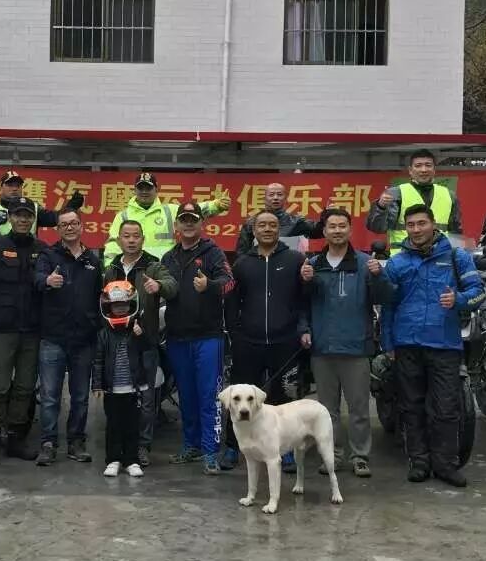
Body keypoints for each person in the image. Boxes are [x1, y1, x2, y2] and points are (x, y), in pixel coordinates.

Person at [381, 204, 485, 488]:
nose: (416, 229)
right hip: (407, 344)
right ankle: (419, 462)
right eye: (411, 225)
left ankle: (445, 464)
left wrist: (459, 300)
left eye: (421, 223)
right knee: (411, 406)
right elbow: (388, 306)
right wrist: (388, 343)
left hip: (445, 344)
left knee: (446, 408)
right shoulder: (397, 263)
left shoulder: (457, 257)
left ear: (433, 224)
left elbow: (479, 293)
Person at [299, 208, 392, 479]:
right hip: (322, 348)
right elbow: (302, 304)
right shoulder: (312, 265)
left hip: (355, 348)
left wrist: (379, 276)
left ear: (350, 230)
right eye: (332, 226)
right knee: (327, 411)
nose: (337, 231)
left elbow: (385, 298)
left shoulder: (366, 263)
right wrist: (304, 329)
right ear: (324, 231)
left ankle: (360, 456)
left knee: (359, 409)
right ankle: (333, 455)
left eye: (342, 226)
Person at [226, 210, 307, 473]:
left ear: (279, 229)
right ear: (254, 230)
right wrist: (235, 333)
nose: (268, 229)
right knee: (239, 399)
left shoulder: (295, 259)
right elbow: (231, 302)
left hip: (285, 341)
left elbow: (305, 298)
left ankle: (285, 450)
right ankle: (232, 446)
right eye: (262, 225)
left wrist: (300, 330)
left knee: (284, 399)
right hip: (248, 342)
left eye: (272, 225)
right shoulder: (242, 263)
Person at [160, 201, 233, 474]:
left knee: (209, 395)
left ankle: (211, 451)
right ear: (177, 225)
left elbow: (229, 283)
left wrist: (209, 285)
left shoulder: (213, 253)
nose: (189, 224)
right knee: (187, 396)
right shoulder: (168, 258)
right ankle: (191, 445)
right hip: (177, 338)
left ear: (202, 223)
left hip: (208, 337)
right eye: (184, 219)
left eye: (193, 219)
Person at [0, 199, 44, 466]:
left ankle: (15, 440)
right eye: (18, 215)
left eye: (28, 216)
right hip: (3, 329)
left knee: (25, 388)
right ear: (10, 218)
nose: (23, 220)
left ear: (33, 219)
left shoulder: (42, 249)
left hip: (32, 330)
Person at [104, 219, 177, 466]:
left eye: (136, 236)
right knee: (117, 398)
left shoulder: (154, 266)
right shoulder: (111, 269)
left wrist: (159, 286)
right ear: (119, 240)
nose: (131, 240)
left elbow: (172, 287)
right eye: (126, 236)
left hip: (145, 344)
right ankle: (118, 448)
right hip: (116, 345)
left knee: (146, 399)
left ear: (143, 239)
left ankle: (142, 446)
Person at [34, 209, 103, 465]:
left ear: (82, 227)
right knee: (50, 396)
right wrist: (47, 281)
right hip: (53, 337)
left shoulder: (93, 259)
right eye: (64, 224)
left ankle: (76, 441)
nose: (70, 228)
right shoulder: (48, 255)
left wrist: (96, 326)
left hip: (84, 339)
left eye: (74, 223)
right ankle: (48, 443)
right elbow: (36, 279)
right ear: (58, 230)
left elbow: (99, 296)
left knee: (80, 396)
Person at [92, 280, 151, 478]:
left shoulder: (137, 330)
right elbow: (98, 361)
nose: (120, 309)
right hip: (112, 390)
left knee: (132, 426)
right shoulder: (103, 335)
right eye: (116, 306)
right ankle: (113, 460)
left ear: (131, 305)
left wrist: (140, 335)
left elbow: (147, 349)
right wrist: (97, 385)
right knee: (113, 426)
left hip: (133, 390)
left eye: (124, 305)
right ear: (108, 307)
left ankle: (131, 460)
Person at [104, 172, 231, 263]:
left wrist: (216, 205)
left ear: (156, 190)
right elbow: (113, 245)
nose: (144, 191)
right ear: (134, 190)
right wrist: (111, 267)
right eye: (140, 188)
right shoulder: (123, 216)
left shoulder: (169, 211)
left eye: (148, 188)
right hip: (134, 269)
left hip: (166, 270)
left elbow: (194, 210)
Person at [366, 149, 463, 254]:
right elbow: (378, 228)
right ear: (410, 170)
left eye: (428, 165)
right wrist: (381, 207)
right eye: (418, 166)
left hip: (439, 256)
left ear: (434, 169)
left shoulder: (449, 195)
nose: (423, 170)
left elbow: (455, 232)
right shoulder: (397, 193)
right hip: (404, 257)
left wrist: (457, 255)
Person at [0, 169, 84, 240]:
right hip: (1, 257)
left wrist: (72, 206)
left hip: (30, 255)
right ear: (0, 188)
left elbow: (54, 219)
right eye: (10, 185)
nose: (14, 188)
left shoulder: (33, 207)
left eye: (18, 185)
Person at [235, 182, 326, 256]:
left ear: (285, 198)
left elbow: (319, 231)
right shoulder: (251, 223)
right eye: (271, 195)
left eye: (279, 194)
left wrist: (327, 215)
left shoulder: (295, 222)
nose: (275, 198)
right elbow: (242, 252)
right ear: (264, 198)